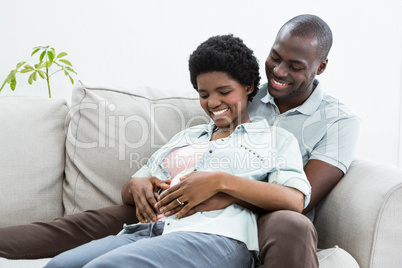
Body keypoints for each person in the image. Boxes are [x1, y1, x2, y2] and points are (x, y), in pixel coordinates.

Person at [0, 14, 360, 268]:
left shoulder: (326, 123)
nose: (279, 72)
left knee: (289, 224)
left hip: (259, 218)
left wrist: (218, 188)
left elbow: (297, 198)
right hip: (169, 215)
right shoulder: (222, 111)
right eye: (275, 59)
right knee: (92, 227)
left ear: (320, 66)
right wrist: (140, 184)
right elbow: (189, 147)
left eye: (295, 66)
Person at [44, 34, 311, 268]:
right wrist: (137, 185)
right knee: (59, 264)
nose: (213, 102)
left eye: (224, 91)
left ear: (249, 87)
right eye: (204, 94)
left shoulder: (274, 139)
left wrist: (220, 182)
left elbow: (293, 199)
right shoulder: (187, 136)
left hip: (216, 236)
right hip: (150, 232)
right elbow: (132, 188)